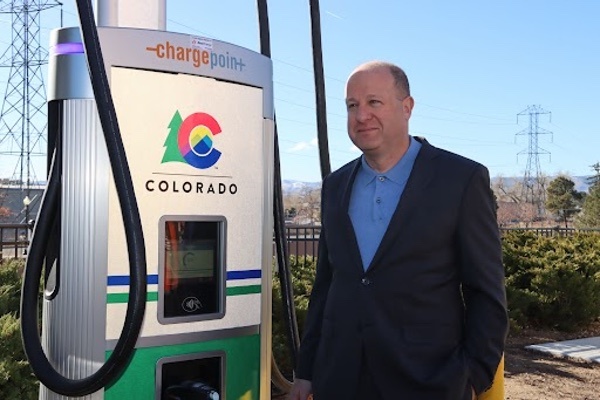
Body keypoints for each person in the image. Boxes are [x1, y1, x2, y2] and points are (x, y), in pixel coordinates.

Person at [288, 61, 508, 400]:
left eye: (374, 102)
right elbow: (327, 287)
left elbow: (486, 293)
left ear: (407, 107)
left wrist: (473, 376)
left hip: (429, 383)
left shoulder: (460, 180)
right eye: (352, 105)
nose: (361, 115)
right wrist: (306, 372)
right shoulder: (335, 186)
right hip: (339, 380)